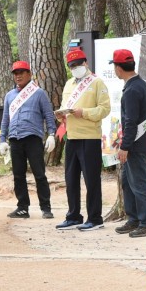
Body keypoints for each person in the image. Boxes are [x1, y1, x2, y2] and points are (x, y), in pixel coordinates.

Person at [55, 48, 111, 232]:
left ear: (85, 63)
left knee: (91, 179)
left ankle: (95, 218)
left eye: (78, 64)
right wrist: (61, 115)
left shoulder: (97, 83)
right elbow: (65, 106)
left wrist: (84, 113)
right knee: (71, 179)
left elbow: (104, 109)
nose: (75, 68)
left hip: (89, 137)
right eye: (72, 65)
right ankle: (73, 216)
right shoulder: (69, 84)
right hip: (71, 136)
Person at [0, 60, 57, 220]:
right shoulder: (9, 96)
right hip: (15, 139)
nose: (18, 76)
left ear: (29, 74)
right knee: (18, 175)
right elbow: (5, 119)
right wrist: (2, 139)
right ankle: (22, 207)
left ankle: (46, 208)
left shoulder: (38, 93)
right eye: (15, 73)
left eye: (21, 73)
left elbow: (48, 115)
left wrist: (52, 134)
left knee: (39, 174)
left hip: (33, 138)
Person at [112, 49, 146, 238]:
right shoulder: (141, 84)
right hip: (138, 142)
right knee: (128, 183)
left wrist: (125, 146)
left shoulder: (132, 90)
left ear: (118, 68)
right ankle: (134, 219)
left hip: (134, 145)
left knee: (138, 183)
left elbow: (130, 121)